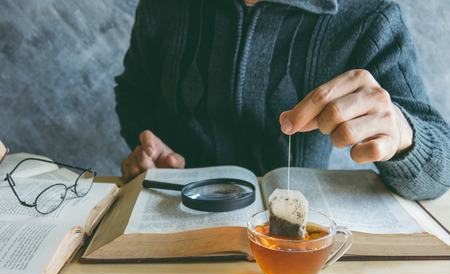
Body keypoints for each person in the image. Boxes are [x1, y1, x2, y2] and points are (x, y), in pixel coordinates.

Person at [115, 0, 450, 200]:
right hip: (178, 212)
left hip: (298, 239)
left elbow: (442, 170)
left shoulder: (372, 16)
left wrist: (406, 139)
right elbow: (134, 91)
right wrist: (148, 148)